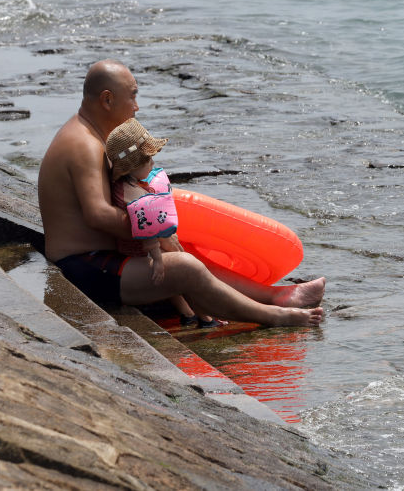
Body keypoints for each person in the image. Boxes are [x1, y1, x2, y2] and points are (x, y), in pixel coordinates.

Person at [37, 59, 324, 327]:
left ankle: (276, 295)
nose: (137, 107)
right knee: (185, 267)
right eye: (133, 96)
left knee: (186, 249)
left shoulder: (95, 135)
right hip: (84, 268)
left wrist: (162, 232)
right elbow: (98, 214)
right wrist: (157, 233)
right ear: (108, 99)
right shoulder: (84, 144)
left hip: (102, 260)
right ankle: (276, 316)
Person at [106, 117, 224, 328]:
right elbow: (149, 232)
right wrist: (158, 259)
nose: (153, 163)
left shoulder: (125, 185)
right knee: (183, 274)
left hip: (133, 250)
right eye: (148, 160)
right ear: (131, 166)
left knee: (174, 284)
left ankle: (188, 315)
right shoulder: (134, 194)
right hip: (142, 252)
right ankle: (205, 316)